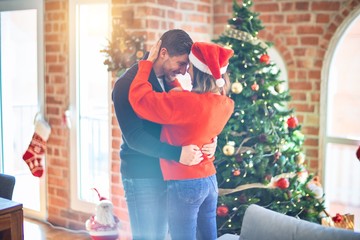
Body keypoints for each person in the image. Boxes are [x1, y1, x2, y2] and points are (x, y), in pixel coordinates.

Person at [112, 29, 217, 240]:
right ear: (163, 53)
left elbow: (190, 119)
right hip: (143, 175)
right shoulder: (126, 84)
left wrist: (212, 141)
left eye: (188, 66)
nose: (184, 71)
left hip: (169, 173)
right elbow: (134, 137)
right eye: (181, 63)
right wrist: (178, 154)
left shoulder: (170, 82)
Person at [129, 40, 235, 240]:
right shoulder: (225, 104)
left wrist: (147, 64)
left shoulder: (183, 102)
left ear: (198, 71)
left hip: (185, 183)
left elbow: (140, 100)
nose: (187, 72)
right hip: (210, 181)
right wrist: (172, 83)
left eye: (191, 67)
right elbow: (193, 111)